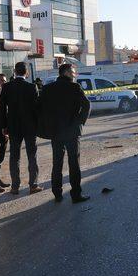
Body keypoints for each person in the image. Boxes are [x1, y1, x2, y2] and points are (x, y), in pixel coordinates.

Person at [38, 63, 91, 203]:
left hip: (55, 132)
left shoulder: (48, 88)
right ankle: (76, 195)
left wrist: (47, 126)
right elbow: (86, 105)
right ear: (67, 73)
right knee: (74, 164)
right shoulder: (74, 87)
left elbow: (40, 109)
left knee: (57, 163)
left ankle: (57, 193)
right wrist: (80, 122)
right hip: (72, 131)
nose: (75, 75)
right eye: (74, 73)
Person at [0, 62, 42, 195]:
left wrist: (4, 126)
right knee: (32, 156)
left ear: (14, 72)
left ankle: (15, 187)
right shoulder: (32, 87)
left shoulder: (6, 87)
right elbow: (37, 109)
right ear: (26, 72)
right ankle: (33, 185)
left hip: (13, 127)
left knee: (14, 156)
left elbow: (1, 108)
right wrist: (38, 125)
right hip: (30, 127)